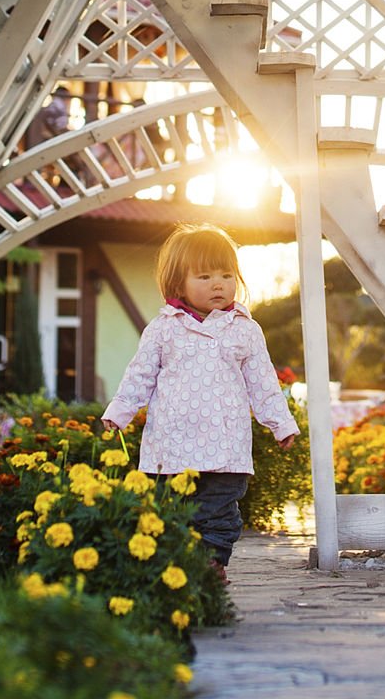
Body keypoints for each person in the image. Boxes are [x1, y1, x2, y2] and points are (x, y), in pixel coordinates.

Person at [101, 224, 299, 570]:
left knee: (220, 514)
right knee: (171, 511)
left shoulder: (245, 330)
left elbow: (263, 383)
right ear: (178, 284)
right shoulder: (163, 329)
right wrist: (120, 411)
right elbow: (140, 375)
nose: (218, 284)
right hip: (171, 449)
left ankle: (212, 567)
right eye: (205, 276)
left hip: (226, 449)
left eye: (226, 274)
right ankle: (177, 568)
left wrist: (280, 423)